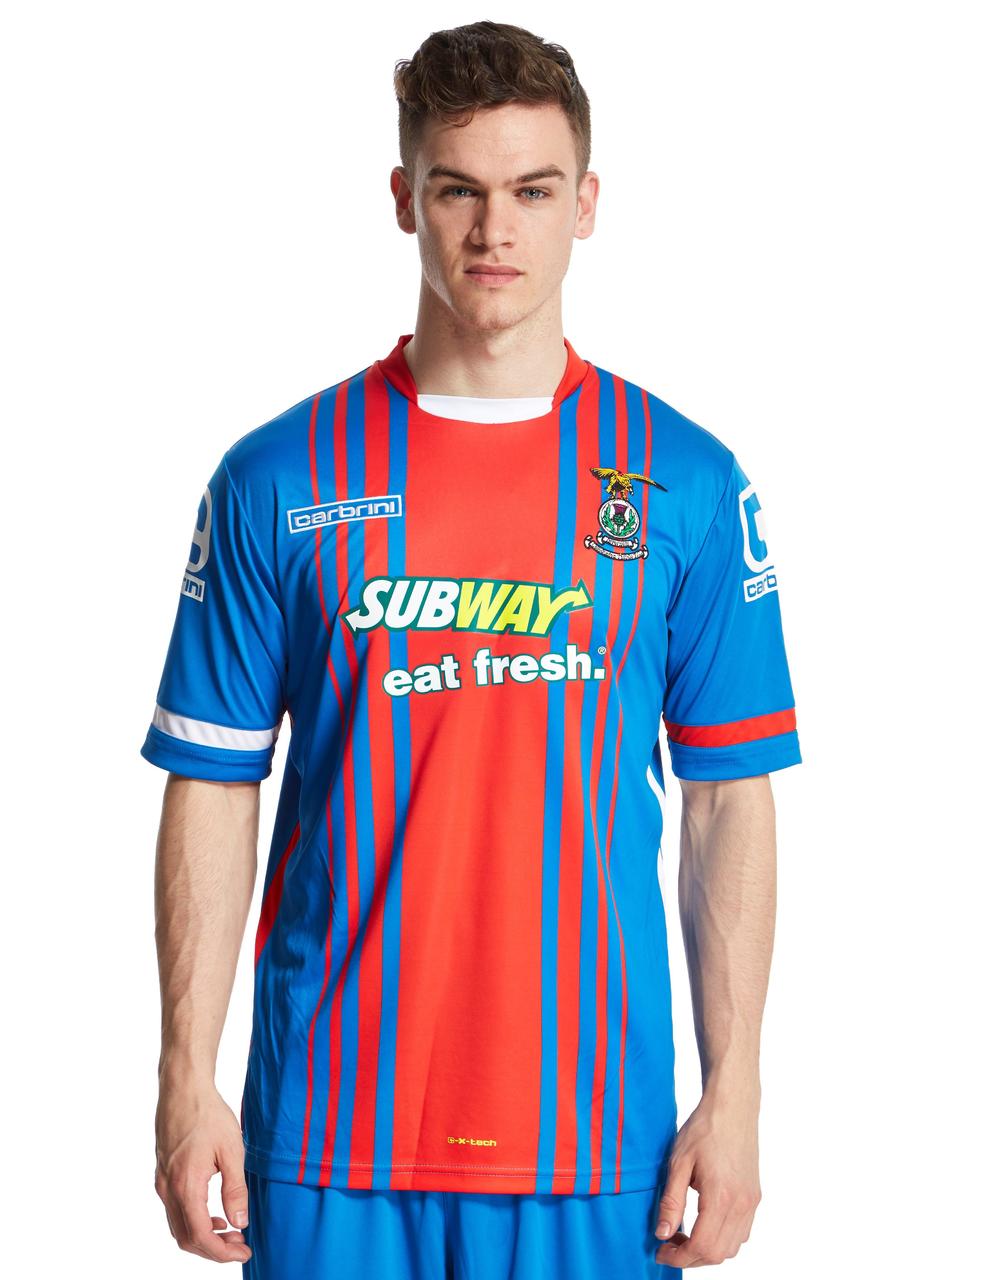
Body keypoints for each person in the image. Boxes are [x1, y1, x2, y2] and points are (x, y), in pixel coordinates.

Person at [142, 20, 801, 1279]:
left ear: (587, 205)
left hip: (597, 1144)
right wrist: (185, 1075)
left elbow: (728, 798)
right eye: (459, 190)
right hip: (328, 1130)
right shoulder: (279, 477)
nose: (496, 230)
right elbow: (214, 781)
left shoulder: (685, 481)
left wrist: (738, 1090)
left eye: (534, 191)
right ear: (405, 198)